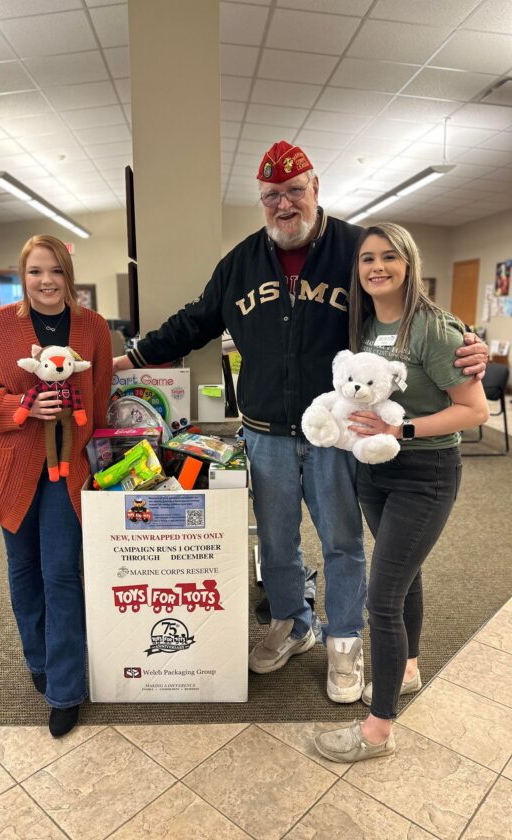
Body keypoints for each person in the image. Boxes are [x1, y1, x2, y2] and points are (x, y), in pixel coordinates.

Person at [113, 141, 488, 702]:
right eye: (272, 196)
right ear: (261, 200)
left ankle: (345, 640)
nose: (284, 205)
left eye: (294, 191)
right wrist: (128, 360)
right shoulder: (241, 262)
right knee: (276, 542)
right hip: (264, 433)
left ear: (315, 188)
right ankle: (293, 623)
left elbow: (405, 301)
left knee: (342, 541)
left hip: (338, 431)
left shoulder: (355, 249)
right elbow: (194, 322)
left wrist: (465, 340)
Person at [315, 222, 489, 762]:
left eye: (389, 257)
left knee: (382, 599)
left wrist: (400, 429)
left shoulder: (434, 329)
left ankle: (377, 731)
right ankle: (408, 668)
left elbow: (475, 410)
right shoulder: (365, 326)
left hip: (425, 474)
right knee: (404, 577)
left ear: (409, 264)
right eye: (368, 258)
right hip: (375, 473)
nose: (378, 267)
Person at [0, 234, 112, 737]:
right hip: (10, 468)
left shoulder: (93, 328)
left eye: (56, 271)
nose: (46, 281)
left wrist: (98, 455)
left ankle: (65, 687)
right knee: (24, 570)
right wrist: (19, 406)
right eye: (36, 271)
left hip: (69, 470)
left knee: (61, 571)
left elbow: (100, 393)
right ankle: (39, 659)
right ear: (23, 277)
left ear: (69, 275)